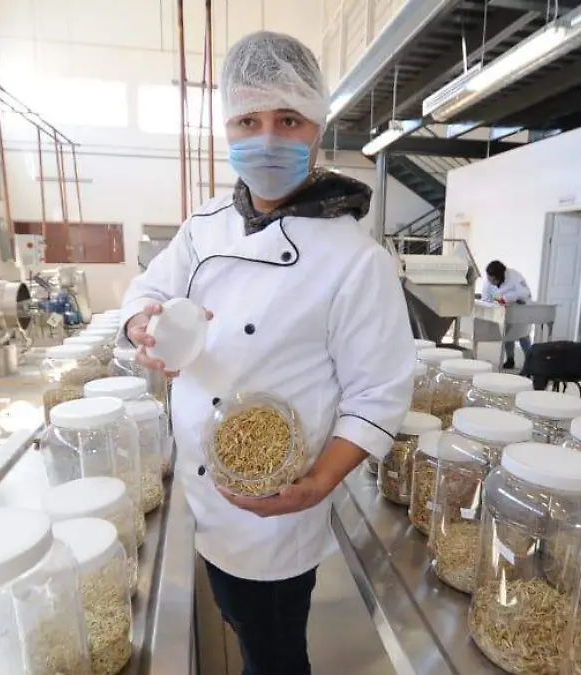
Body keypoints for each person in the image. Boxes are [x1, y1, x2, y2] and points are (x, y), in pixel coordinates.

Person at [119, 31, 415, 675]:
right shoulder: (204, 226)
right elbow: (148, 290)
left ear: (317, 130)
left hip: (277, 509)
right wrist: (141, 322)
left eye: (288, 120)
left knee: (273, 650)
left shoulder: (355, 259)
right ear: (227, 127)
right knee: (243, 621)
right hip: (204, 486)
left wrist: (320, 482)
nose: (268, 138)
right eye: (248, 121)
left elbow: (379, 394)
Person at [482, 260, 533, 369]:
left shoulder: (514, 275)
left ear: (500, 276)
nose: (490, 281)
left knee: (523, 334)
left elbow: (525, 293)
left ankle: (531, 361)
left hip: (520, 308)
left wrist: (508, 297)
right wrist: (493, 303)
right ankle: (510, 359)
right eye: (489, 278)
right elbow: (486, 298)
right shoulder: (488, 282)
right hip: (504, 310)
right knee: (507, 334)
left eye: (493, 279)